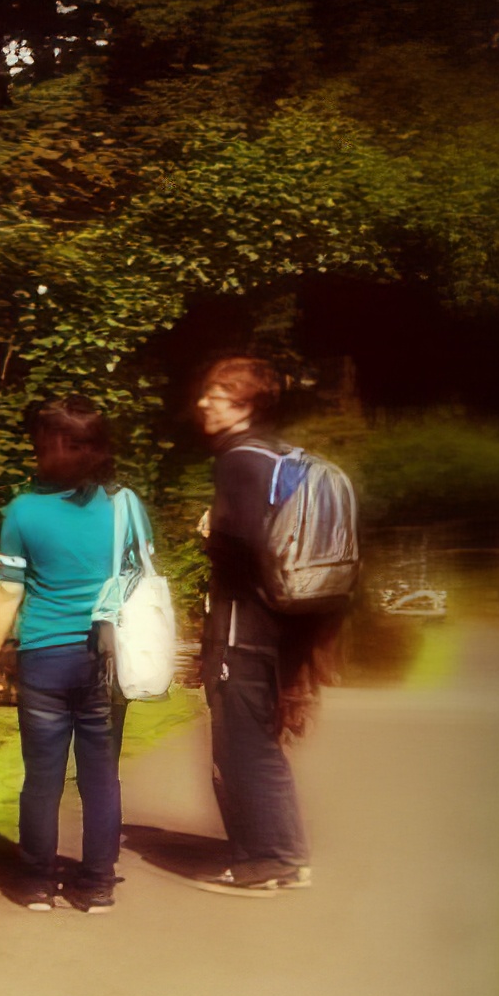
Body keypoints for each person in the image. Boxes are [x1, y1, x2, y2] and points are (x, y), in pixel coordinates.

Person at [0, 397, 149, 913]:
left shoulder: (23, 510)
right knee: (101, 775)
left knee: (43, 776)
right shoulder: (125, 504)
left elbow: (8, 590)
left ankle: (36, 881)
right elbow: (140, 576)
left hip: (44, 657)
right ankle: (97, 883)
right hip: (107, 657)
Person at [190, 355, 320, 895]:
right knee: (259, 740)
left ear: (243, 406)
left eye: (214, 396)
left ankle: (270, 861)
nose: (202, 403)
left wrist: (211, 530)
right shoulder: (277, 457)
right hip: (278, 625)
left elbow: (247, 546)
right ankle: (281, 855)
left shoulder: (241, 460)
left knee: (244, 744)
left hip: (245, 628)